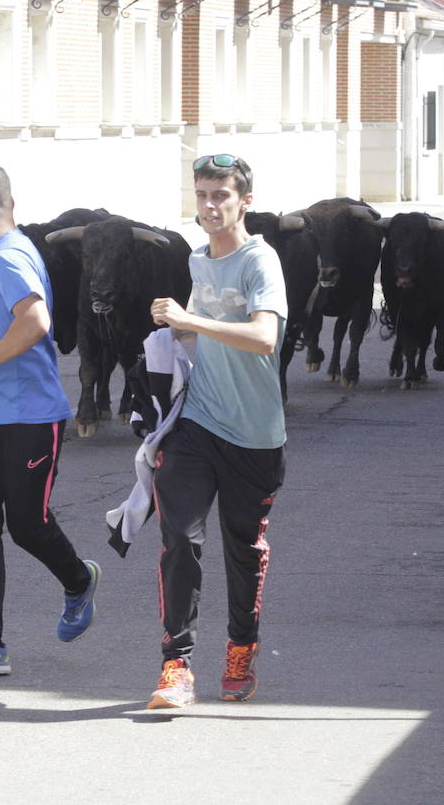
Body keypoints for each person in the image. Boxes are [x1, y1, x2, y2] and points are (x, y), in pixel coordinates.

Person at [0, 161, 100, 678]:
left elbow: (35, 320)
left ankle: (78, 581)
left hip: (27, 418)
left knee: (28, 527)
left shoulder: (6, 258)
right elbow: (7, 317)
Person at [144, 153, 287, 709]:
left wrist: (190, 319)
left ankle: (240, 649)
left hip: (254, 433)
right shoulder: (197, 259)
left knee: (241, 550)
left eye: (220, 196)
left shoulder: (260, 260)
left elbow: (264, 338)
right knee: (179, 535)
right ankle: (175, 665)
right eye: (202, 194)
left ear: (243, 201)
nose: (209, 205)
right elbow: (202, 343)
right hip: (198, 422)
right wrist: (164, 350)